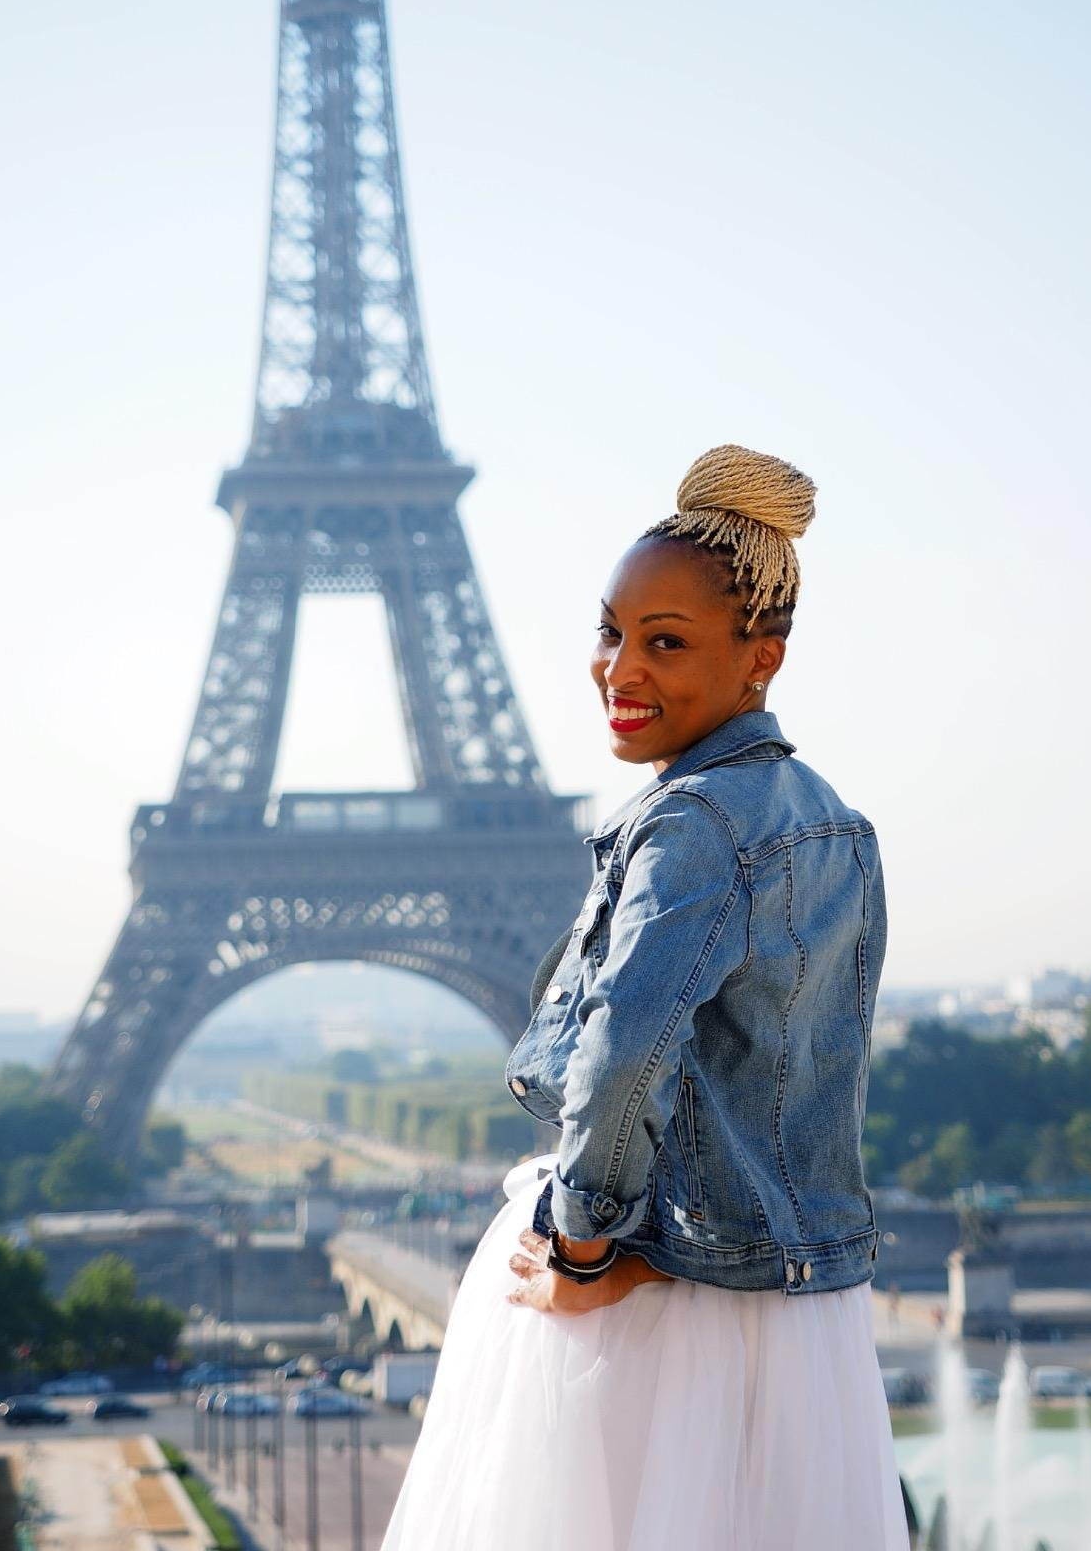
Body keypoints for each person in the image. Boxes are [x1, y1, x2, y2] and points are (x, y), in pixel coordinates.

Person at [379, 445, 909, 1549]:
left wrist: (582, 1247)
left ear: (760, 658)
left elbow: (625, 1054)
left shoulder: (689, 825)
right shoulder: (837, 825)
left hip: (659, 1289)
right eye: (609, 632)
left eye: (666, 643)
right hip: (796, 1310)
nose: (620, 668)